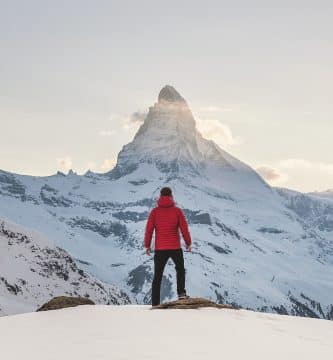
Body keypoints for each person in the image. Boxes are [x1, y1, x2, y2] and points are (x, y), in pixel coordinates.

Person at [144, 187, 192, 306]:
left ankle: (155, 303)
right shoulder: (177, 211)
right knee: (180, 269)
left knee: (158, 275)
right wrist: (188, 243)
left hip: (160, 249)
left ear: (160, 196)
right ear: (171, 196)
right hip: (175, 247)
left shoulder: (154, 212)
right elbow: (184, 229)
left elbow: (149, 230)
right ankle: (181, 294)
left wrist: (147, 245)